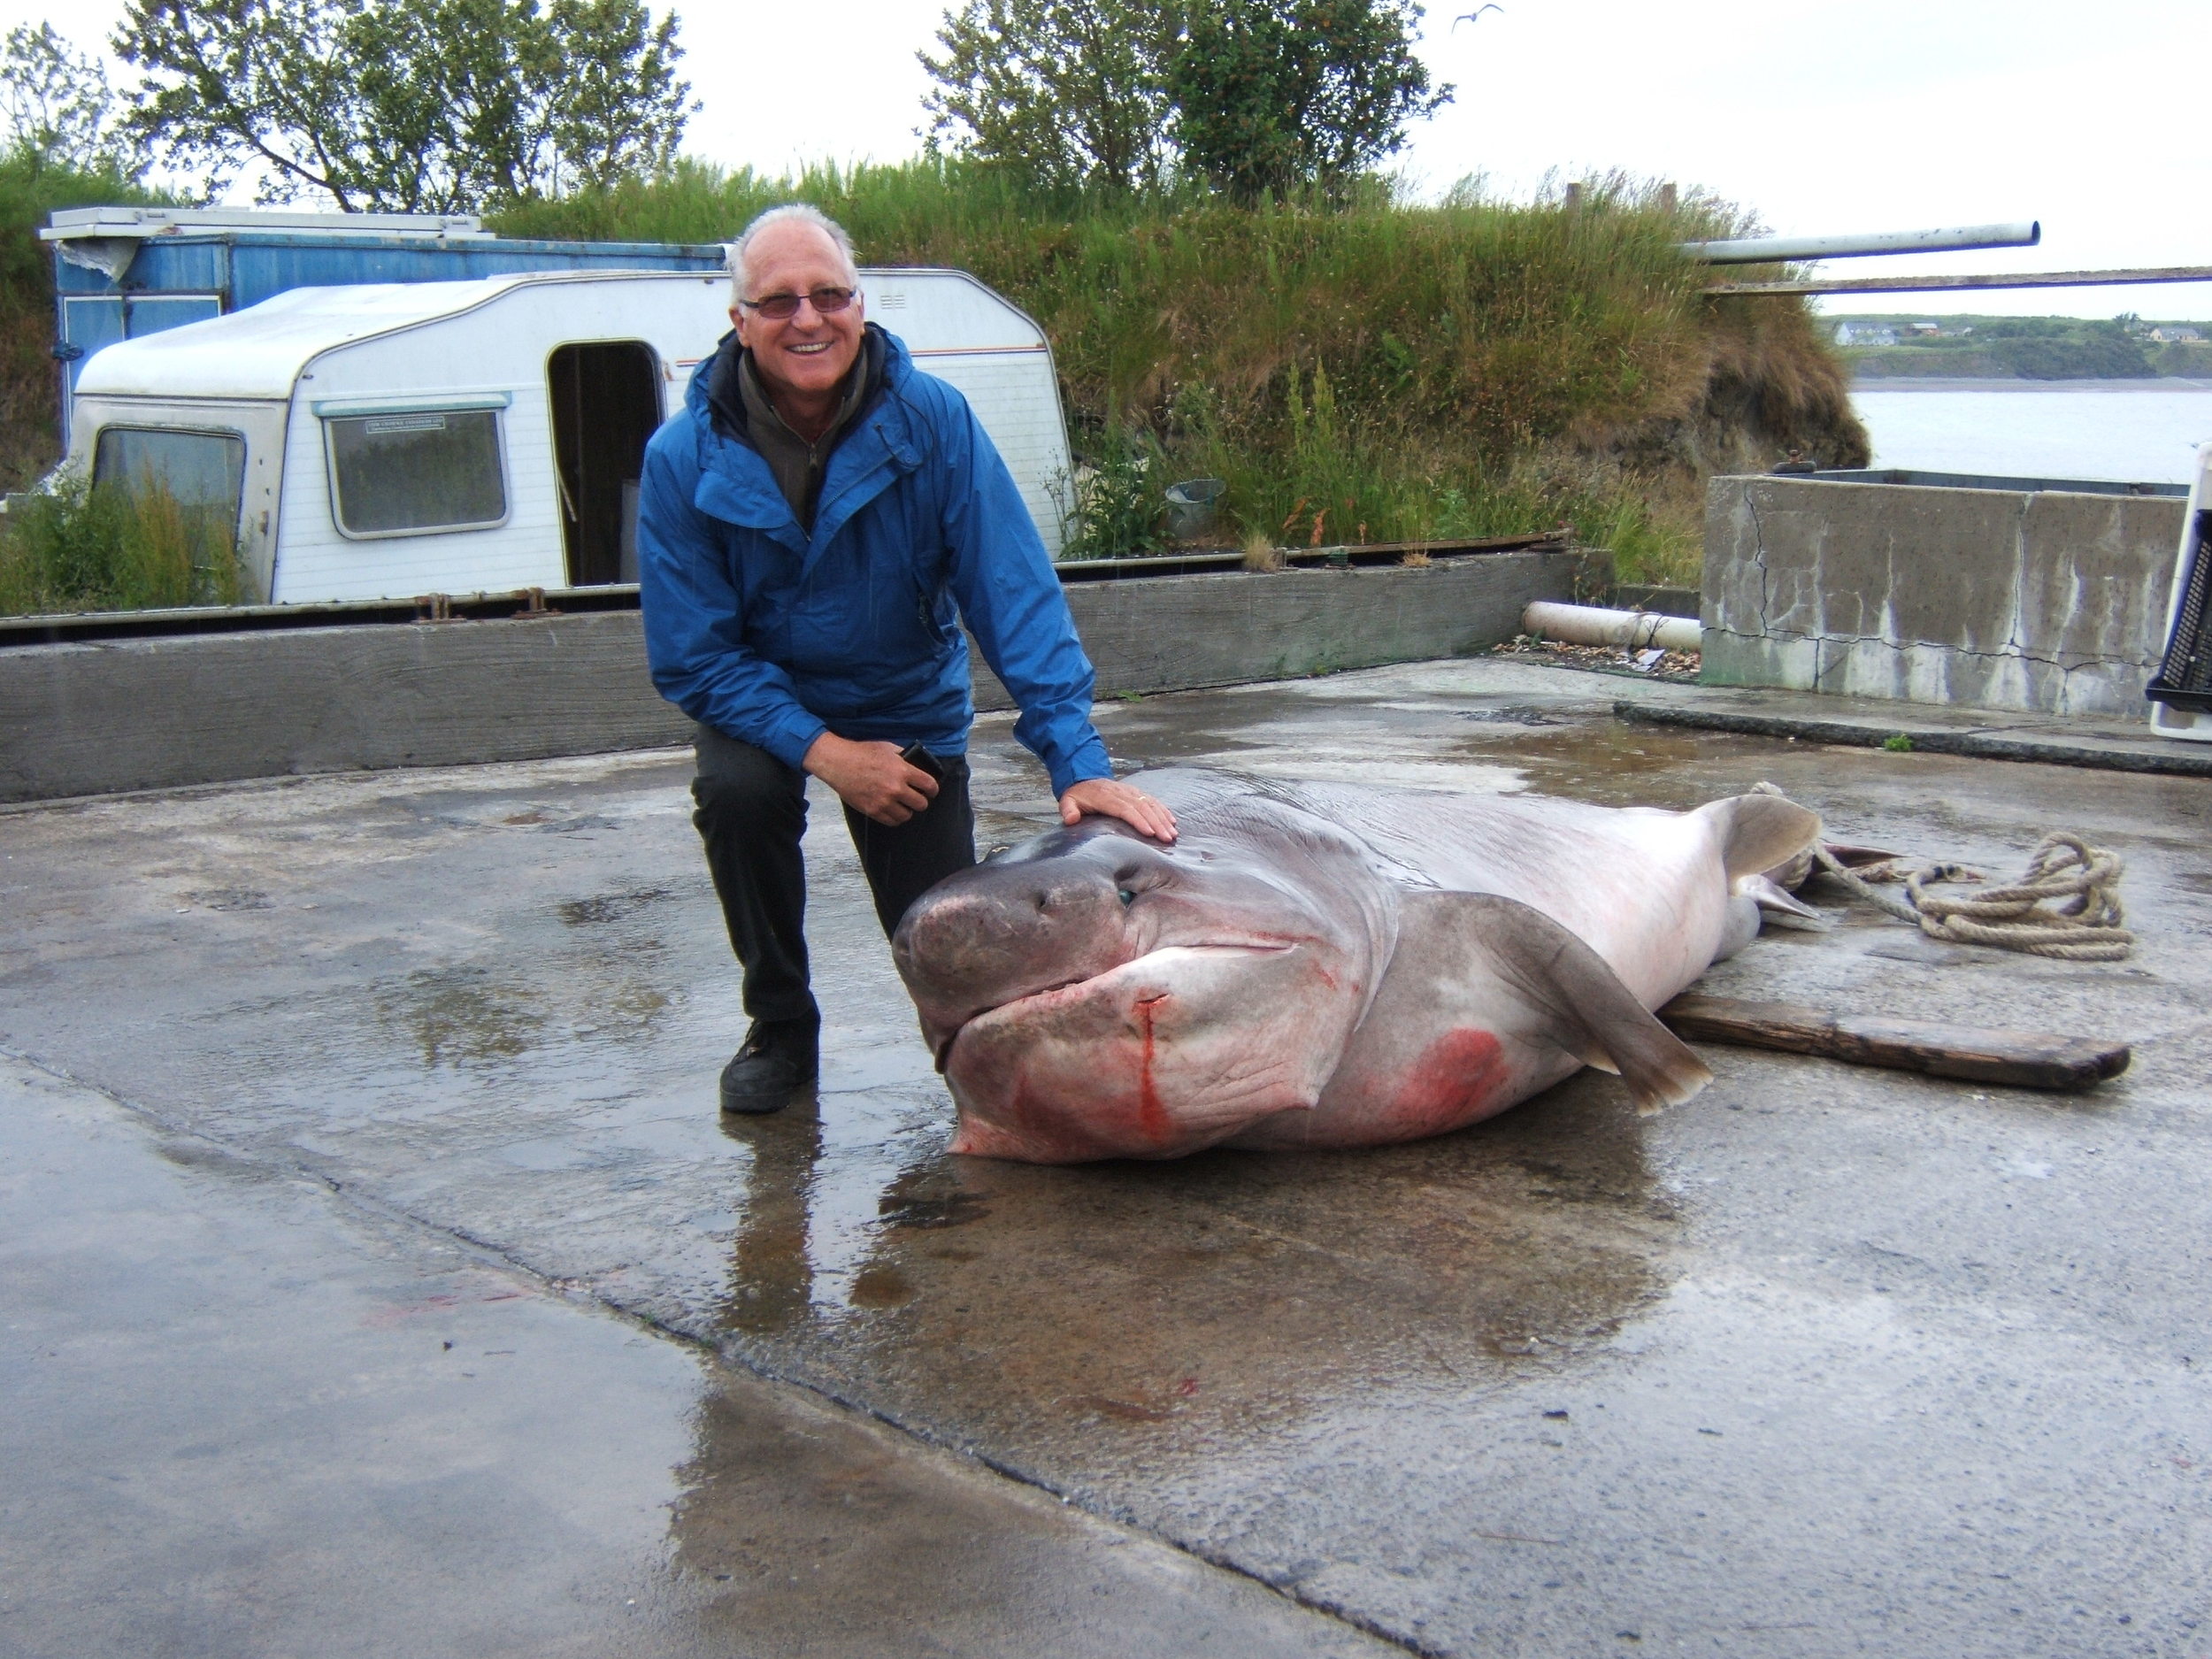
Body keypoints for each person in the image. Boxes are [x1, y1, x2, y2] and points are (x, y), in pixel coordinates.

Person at [637, 204, 1175, 1115]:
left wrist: (1076, 762)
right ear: (739, 322)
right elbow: (693, 657)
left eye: (828, 294)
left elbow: (1011, 591)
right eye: (777, 301)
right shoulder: (681, 458)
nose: (806, 318)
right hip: (761, 706)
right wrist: (827, 754)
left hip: (902, 699)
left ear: (859, 303)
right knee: (738, 796)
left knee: (944, 932)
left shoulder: (932, 424)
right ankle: (780, 1024)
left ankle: (974, 1053)